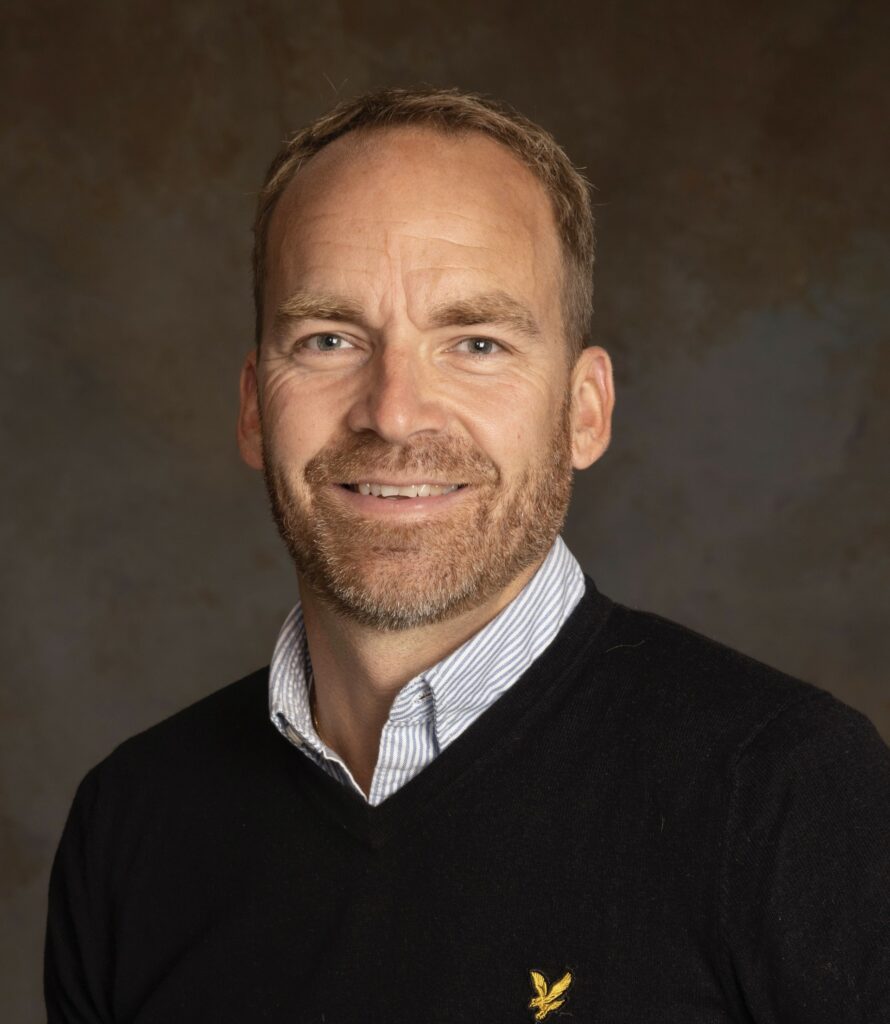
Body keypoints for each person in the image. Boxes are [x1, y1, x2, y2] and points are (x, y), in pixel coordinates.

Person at [45, 86, 889, 1024]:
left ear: (585, 409)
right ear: (254, 404)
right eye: (329, 339)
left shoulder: (784, 792)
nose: (394, 410)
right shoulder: (133, 823)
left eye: (476, 343)